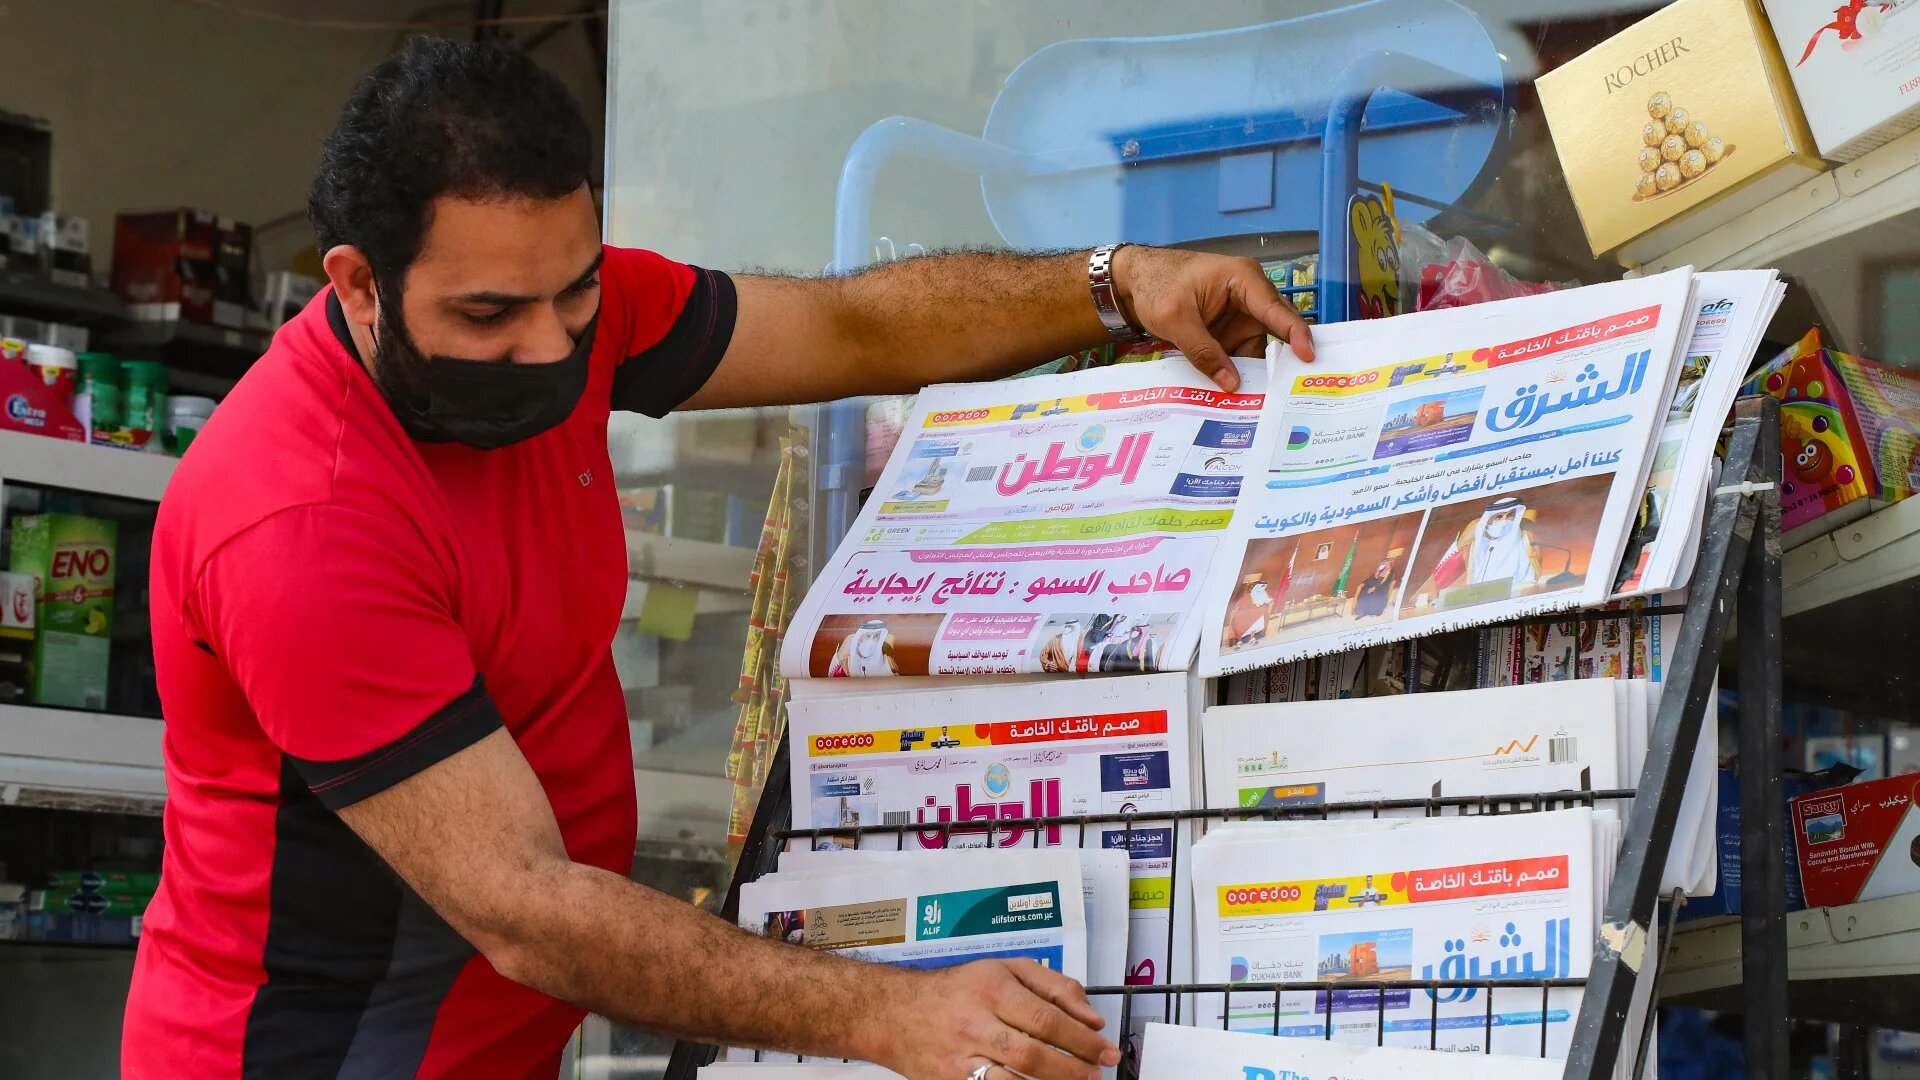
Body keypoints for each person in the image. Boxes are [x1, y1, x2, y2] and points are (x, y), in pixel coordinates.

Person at [123, 37, 1312, 1080]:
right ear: (357, 286)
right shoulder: (298, 525)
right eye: (489, 316)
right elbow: (526, 910)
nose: (550, 348)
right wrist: (890, 1014)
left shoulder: (564, 313)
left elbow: (854, 327)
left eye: (576, 294)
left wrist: (1114, 284)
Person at [1419, 496, 1541, 599]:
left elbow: (1533, 580)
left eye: (1510, 516)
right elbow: (1442, 581)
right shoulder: (1475, 548)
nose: (1505, 521)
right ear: (1489, 521)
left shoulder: (1526, 540)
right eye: (1498, 517)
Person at [827, 618, 899, 677]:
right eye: (868, 636)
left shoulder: (887, 661)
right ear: (860, 639)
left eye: (876, 637)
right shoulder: (845, 664)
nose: (871, 640)